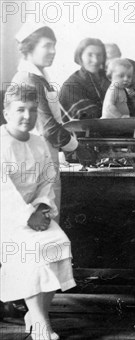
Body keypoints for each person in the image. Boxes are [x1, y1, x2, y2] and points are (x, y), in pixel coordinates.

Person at [1, 85, 76, 340]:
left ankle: (35, 314)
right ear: (6, 112)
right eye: (20, 109)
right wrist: (27, 216)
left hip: (36, 211)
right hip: (8, 216)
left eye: (33, 110)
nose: (27, 116)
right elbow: (4, 192)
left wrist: (43, 207)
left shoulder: (38, 142)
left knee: (58, 243)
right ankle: (42, 324)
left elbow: (47, 179)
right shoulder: (1, 144)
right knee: (32, 253)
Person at [11, 23, 91, 219]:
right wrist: (77, 147)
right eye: (47, 46)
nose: (53, 51)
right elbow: (48, 128)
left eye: (54, 46)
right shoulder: (28, 79)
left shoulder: (38, 78)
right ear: (29, 47)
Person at [60, 38, 111, 120]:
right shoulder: (71, 85)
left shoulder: (110, 78)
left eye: (99, 55)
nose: (95, 60)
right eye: (90, 55)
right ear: (80, 56)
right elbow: (88, 120)